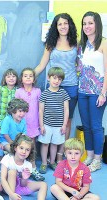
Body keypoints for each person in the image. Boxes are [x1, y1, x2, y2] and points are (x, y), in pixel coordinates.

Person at [34, 13, 78, 140]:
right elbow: (42, 65)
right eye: (60, 24)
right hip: (52, 88)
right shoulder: (50, 44)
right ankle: (49, 151)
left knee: (67, 120)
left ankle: (63, 151)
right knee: (50, 119)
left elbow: (81, 65)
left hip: (71, 86)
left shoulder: (76, 43)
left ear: (70, 25)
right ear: (56, 27)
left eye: (65, 23)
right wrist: (28, 77)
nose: (63, 26)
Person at [76, 11, 107, 172]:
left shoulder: (103, 43)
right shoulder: (82, 45)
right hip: (82, 91)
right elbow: (79, 68)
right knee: (86, 126)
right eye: (84, 23)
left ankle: (97, 159)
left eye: (90, 23)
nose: (87, 26)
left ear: (97, 25)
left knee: (95, 126)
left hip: (97, 92)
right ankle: (89, 156)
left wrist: (103, 93)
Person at [38, 67, 70, 174]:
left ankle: (52, 162)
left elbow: (66, 110)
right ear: (48, 78)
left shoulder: (63, 93)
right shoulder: (45, 93)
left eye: (59, 79)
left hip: (59, 125)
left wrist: (64, 125)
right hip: (47, 125)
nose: (56, 81)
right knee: (45, 144)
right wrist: (41, 125)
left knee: (54, 144)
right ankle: (43, 163)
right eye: (54, 78)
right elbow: (41, 110)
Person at [15, 67, 44, 181]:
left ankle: (33, 168)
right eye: (25, 75)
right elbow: (15, 108)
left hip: (33, 123)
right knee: (21, 146)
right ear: (21, 79)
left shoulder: (37, 91)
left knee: (31, 146)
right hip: (22, 123)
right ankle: (20, 169)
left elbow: (40, 108)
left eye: (30, 76)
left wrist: (41, 124)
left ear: (34, 79)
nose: (28, 78)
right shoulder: (19, 91)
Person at [0, 134, 47, 200]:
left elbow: (23, 185)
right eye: (21, 148)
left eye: (27, 150)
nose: (24, 152)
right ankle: (12, 198)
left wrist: (24, 178)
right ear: (15, 148)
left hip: (20, 187)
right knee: (12, 171)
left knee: (43, 185)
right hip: (8, 188)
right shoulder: (7, 158)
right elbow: (2, 178)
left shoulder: (28, 164)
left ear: (30, 152)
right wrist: (11, 194)